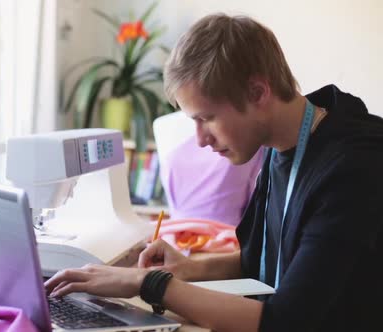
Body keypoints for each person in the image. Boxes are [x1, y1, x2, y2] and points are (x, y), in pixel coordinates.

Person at [45, 13, 383, 332]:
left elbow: (285, 322)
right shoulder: (283, 143)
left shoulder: (351, 168)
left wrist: (151, 284)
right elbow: (263, 260)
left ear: (258, 93)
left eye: (206, 118)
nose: (200, 139)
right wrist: (189, 269)